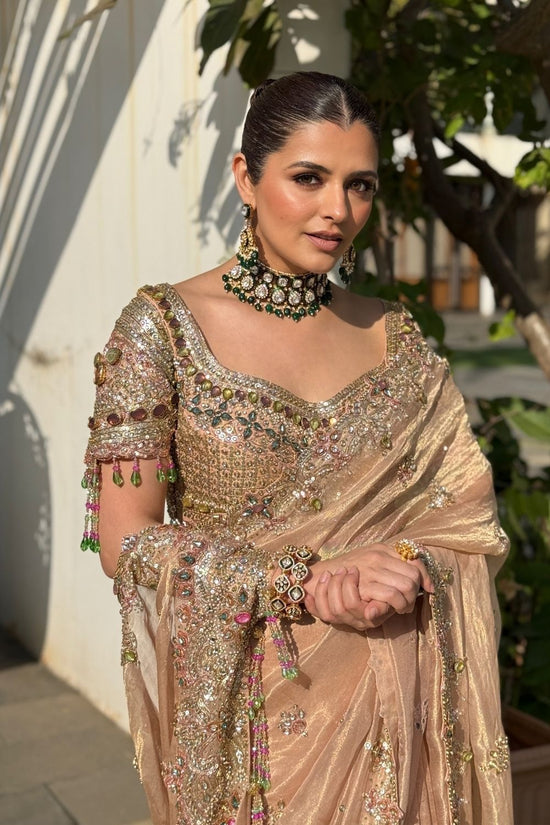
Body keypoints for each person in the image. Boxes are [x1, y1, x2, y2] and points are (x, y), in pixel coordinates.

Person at [82, 72, 513, 825]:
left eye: (360, 186)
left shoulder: (394, 337)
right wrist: (300, 581)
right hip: (252, 730)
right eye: (308, 178)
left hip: (394, 722)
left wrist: (405, 565)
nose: (337, 210)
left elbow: (466, 516)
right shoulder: (161, 331)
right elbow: (125, 540)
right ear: (246, 178)